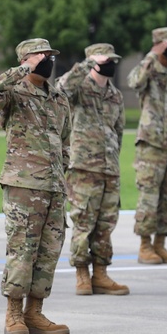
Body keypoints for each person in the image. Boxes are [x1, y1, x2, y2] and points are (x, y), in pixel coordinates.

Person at [0, 38, 71, 334]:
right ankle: (13, 313)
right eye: (42, 55)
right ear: (26, 59)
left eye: (50, 55)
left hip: (54, 185)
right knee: (22, 249)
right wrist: (21, 70)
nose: (48, 59)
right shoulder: (13, 93)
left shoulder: (59, 97)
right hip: (23, 184)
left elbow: (66, 141)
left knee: (49, 251)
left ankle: (35, 312)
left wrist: (63, 173)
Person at [56, 43, 129, 296]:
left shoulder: (116, 95)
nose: (111, 65)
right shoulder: (79, 88)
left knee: (106, 223)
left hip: (109, 168)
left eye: (112, 61)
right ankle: (81, 273)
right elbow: (61, 88)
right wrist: (86, 65)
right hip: (84, 167)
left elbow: (118, 130)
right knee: (83, 220)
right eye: (106, 60)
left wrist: (113, 159)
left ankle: (101, 273)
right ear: (93, 62)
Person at [127, 27, 167, 265]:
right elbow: (134, 82)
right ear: (159, 45)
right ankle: (145, 245)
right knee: (149, 196)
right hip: (151, 144)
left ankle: (160, 244)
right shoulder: (148, 70)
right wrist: (151, 56)